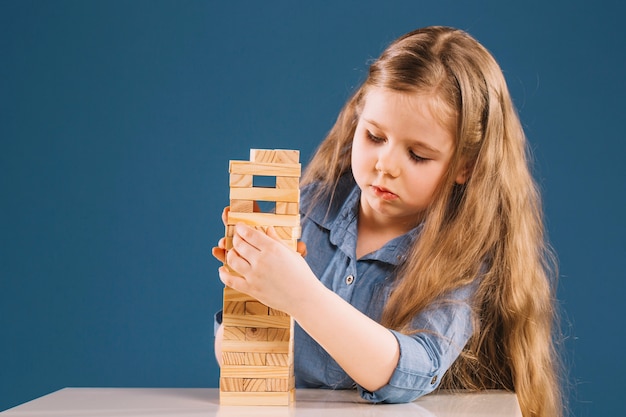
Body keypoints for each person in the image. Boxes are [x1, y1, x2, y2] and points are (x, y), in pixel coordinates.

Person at [212, 26, 563, 417]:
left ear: (465, 166)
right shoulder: (311, 208)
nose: (385, 165)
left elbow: (411, 371)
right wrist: (250, 284)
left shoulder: (462, 257)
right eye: (375, 137)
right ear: (357, 120)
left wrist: (298, 293)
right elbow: (238, 357)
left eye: (418, 154)